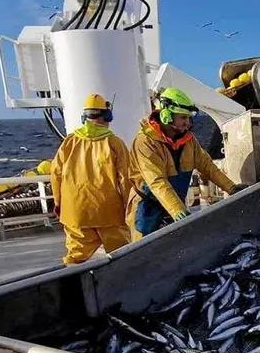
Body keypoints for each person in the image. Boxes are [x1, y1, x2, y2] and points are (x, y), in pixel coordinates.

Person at [128, 87, 247, 239]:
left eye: (189, 118)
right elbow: (156, 181)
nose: (188, 123)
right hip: (146, 207)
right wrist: (177, 210)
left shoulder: (188, 140)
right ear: (166, 116)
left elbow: (207, 166)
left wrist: (231, 187)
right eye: (183, 118)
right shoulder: (145, 142)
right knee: (144, 251)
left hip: (174, 203)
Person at [50, 94, 133, 264]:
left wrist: (58, 203)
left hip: (75, 212)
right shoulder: (114, 143)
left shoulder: (69, 142)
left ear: (84, 117)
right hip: (108, 212)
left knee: (74, 257)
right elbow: (125, 178)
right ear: (107, 116)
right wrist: (129, 207)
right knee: (121, 256)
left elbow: (55, 173)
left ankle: (72, 285)